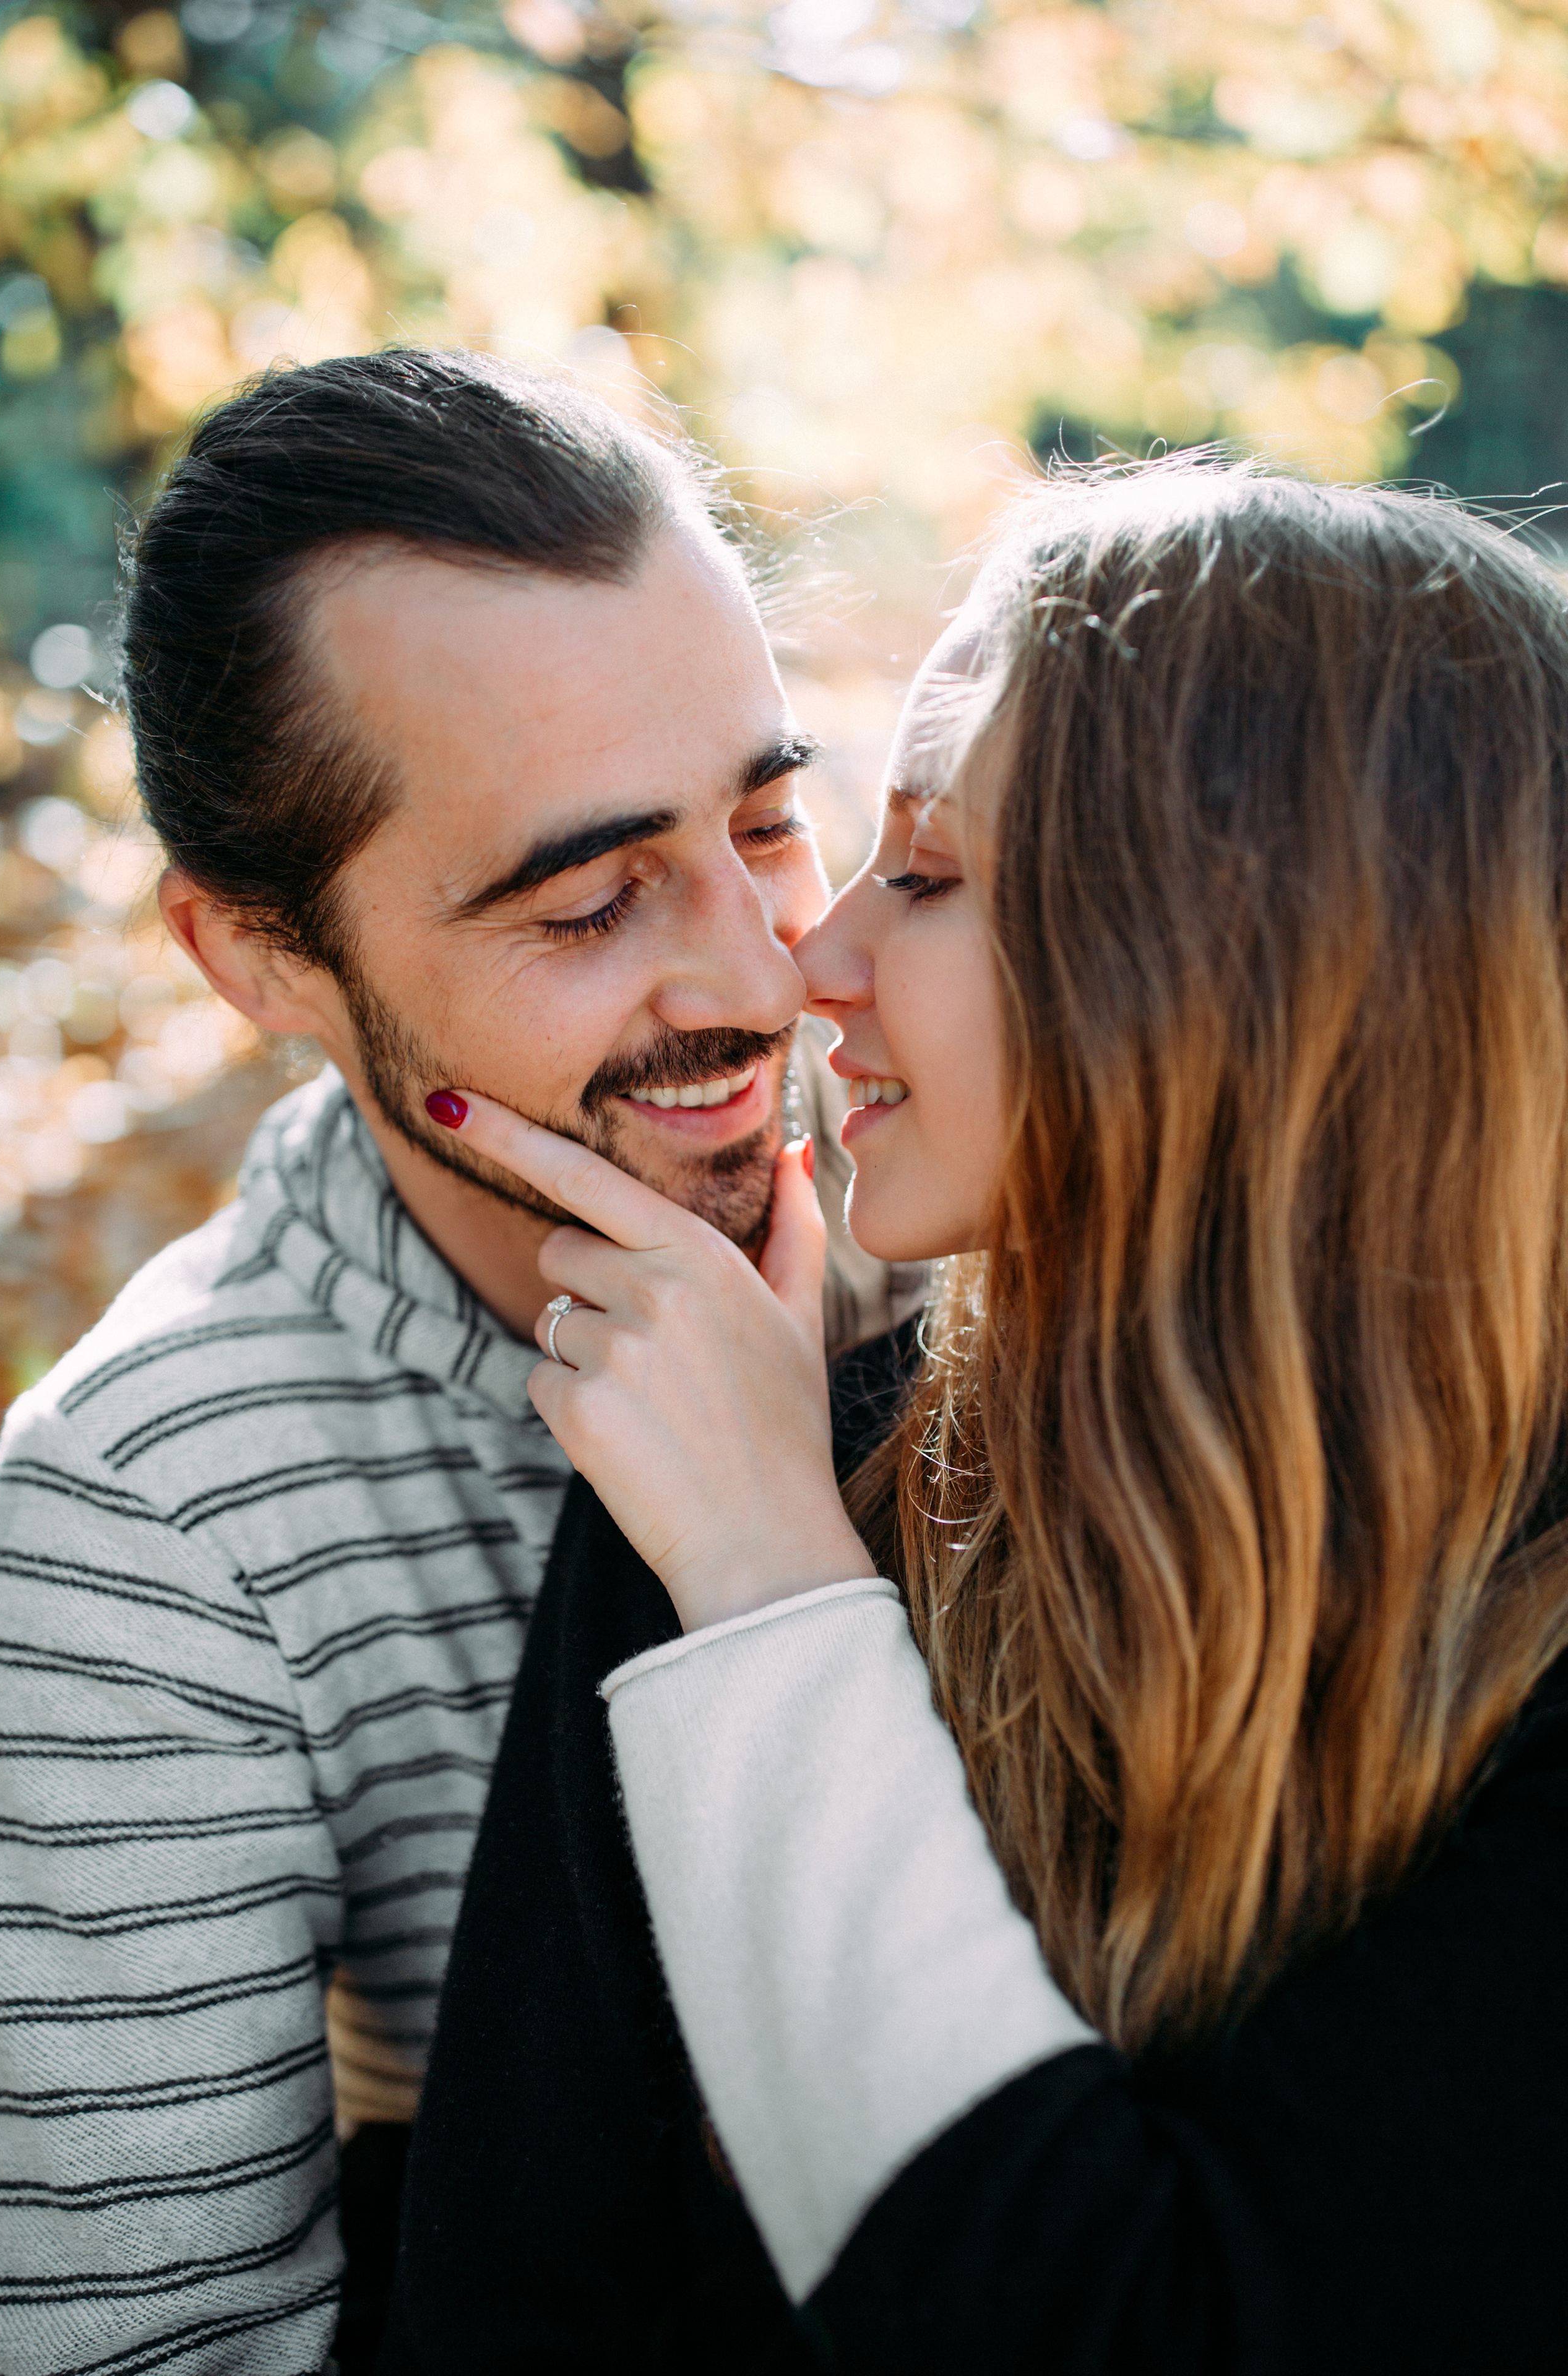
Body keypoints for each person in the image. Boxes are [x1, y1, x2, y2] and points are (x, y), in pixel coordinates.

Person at [387, 463, 1568, 2373]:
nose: (803, 962)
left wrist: (774, 1586)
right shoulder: (763, 1468)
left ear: (1240, 974)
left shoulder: (755, 1519)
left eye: (923, 875)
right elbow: (514, 2311)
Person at [0, 350, 915, 2376]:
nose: (765, 978)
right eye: (589, 904)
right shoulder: (151, 1525)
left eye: (766, 822)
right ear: (260, 963)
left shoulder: (994, 1195)